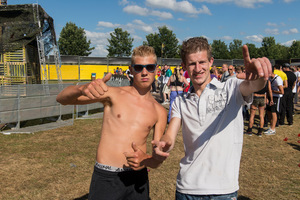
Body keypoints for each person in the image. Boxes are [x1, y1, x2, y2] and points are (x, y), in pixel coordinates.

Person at [124, 37, 272, 199]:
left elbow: (252, 86)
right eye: (192, 63)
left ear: (211, 62)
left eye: (202, 62)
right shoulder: (180, 101)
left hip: (223, 190)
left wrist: (260, 77)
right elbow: (171, 133)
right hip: (187, 189)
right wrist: (164, 144)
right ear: (184, 66)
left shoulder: (230, 88)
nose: (198, 68)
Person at [56, 45, 167, 200]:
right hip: (106, 177)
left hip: (138, 179)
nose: (144, 72)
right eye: (138, 67)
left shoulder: (159, 111)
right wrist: (81, 88)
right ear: (131, 69)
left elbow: (156, 161)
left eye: (149, 67)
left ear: (156, 69)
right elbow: (62, 98)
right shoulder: (114, 94)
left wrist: (146, 159)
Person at [264, 67, 284, 135]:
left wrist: (272, 91)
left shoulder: (278, 79)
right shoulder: (269, 78)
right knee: (269, 111)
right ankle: (271, 126)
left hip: (276, 97)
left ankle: (273, 129)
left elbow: (282, 92)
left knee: (273, 112)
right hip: (270, 96)